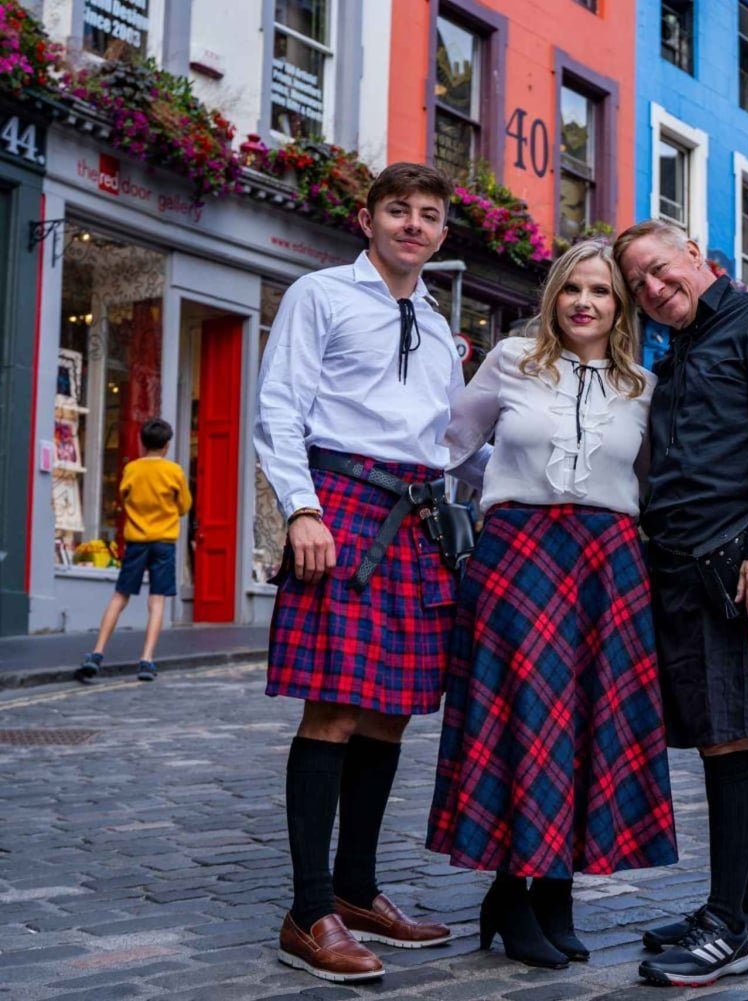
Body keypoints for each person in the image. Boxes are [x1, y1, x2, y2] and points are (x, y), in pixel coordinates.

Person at [426, 241, 676, 969]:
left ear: (619, 305)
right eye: (572, 288)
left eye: (601, 290)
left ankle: (555, 891)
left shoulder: (641, 384)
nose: (585, 302)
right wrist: (496, 490)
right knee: (525, 717)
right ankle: (511, 888)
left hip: (608, 559)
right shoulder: (510, 358)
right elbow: (451, 441)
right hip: (519, 555)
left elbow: (648, 476)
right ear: (553, 296)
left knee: (591, 722)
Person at [254, 163, 463, 982]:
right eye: (399, 211)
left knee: (391, 714)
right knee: (334, 711)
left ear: (444, 232)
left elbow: (448, 435)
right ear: (369, 219)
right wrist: (302, 509)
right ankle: (310, 911)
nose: (414, 225)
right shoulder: (321, 295)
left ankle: (358, 887)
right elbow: (280, 404)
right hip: (341, 502)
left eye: (429, 215)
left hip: (414, 518)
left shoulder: (440, 324)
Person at [614, 219, 748, 987]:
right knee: (712, 740)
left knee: (735, 742)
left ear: (696, 254)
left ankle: (727, 928)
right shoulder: (681, 348)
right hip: (678, 572)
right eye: (641, 285)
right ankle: (743, 906)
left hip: (736, 567)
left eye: (662, 271)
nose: (655, 290)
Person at [75, 418, 192, 685]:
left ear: (142, 443)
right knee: (157, 601)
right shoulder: (173, 472)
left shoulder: (132, 469)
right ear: (166, 445)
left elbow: (123, 497)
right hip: (163, 542)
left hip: (136, 541)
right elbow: (184, 505)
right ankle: (147, 659)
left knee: (120, 597)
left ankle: (97, 653)